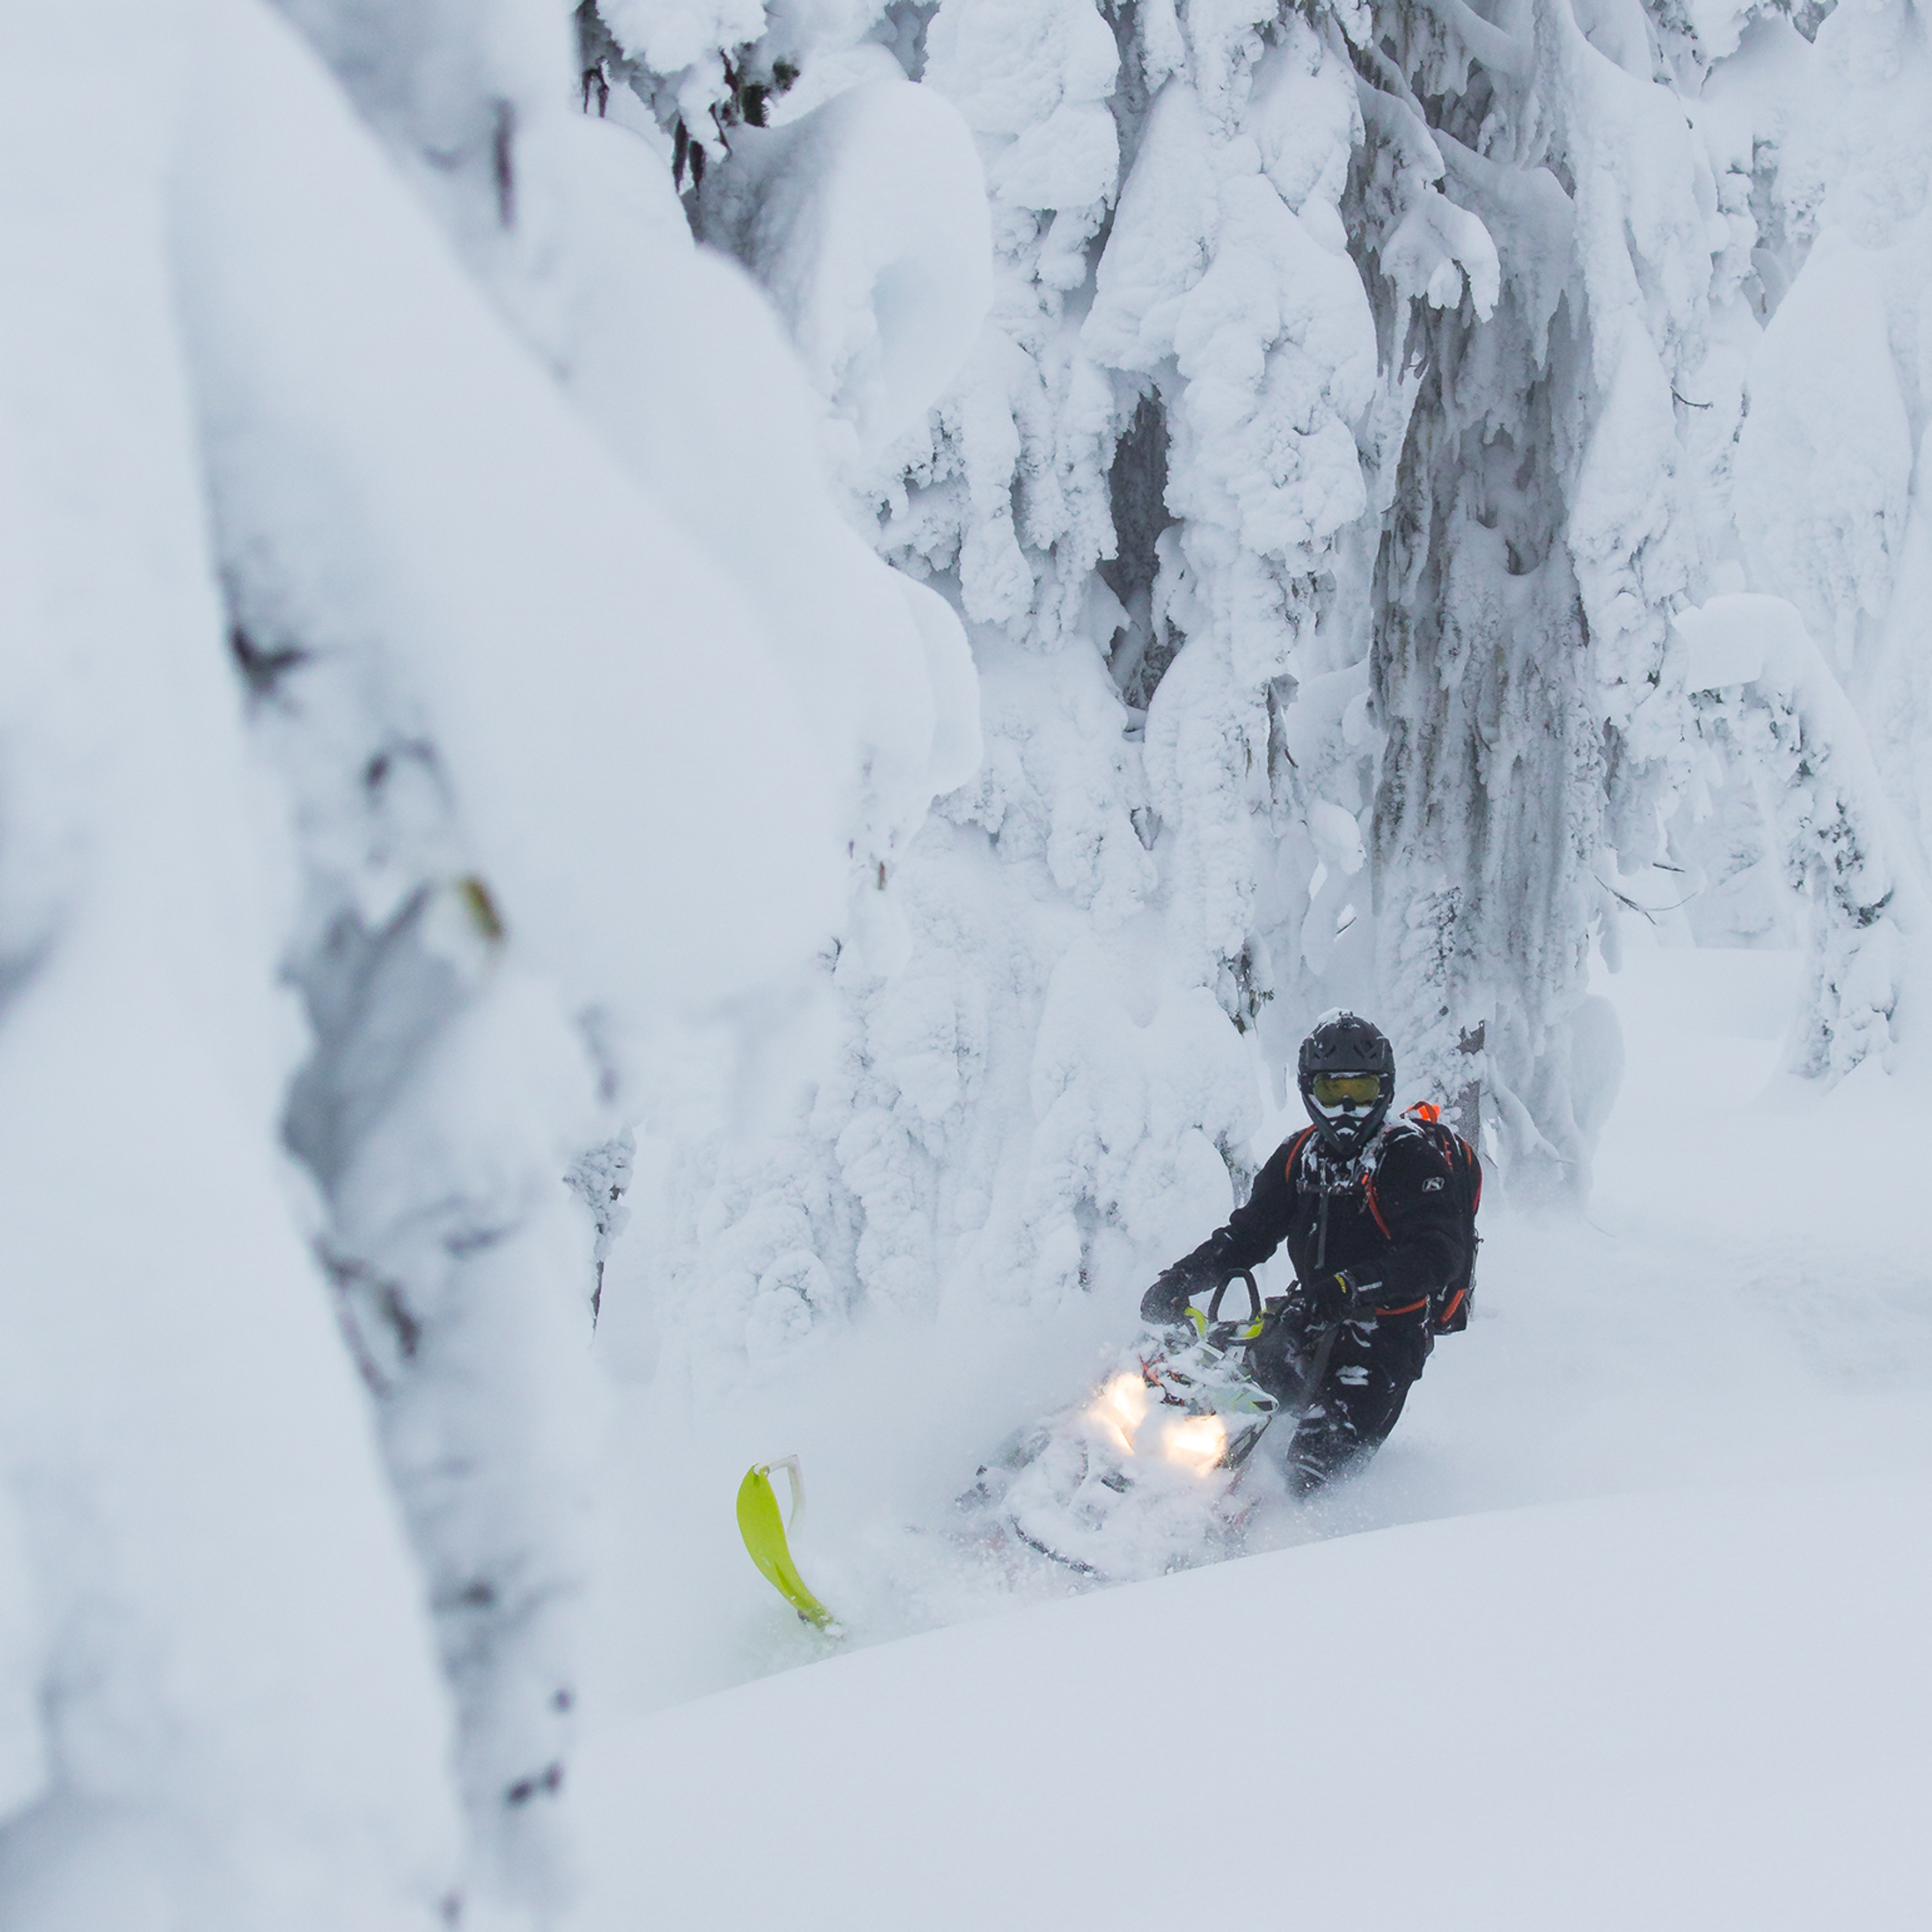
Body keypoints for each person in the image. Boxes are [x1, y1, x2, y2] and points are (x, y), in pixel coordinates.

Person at [1139, 1011, 1470, 1494]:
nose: (1346, 1110)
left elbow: (1440, 1255)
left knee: (1306, 1477)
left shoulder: (1410, 1158)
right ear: (1309, 1091)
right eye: (1332, 1093)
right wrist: (1180, 1280)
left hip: (1385, 1340)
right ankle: (1129, 1473)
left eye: (1360, 1092)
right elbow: (1248, 1234)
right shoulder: (1300, 1156)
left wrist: (1353, 1286)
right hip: (1307, 1318)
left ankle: (1281, 1545)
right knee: (1208, 1398)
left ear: (1384, 1090)